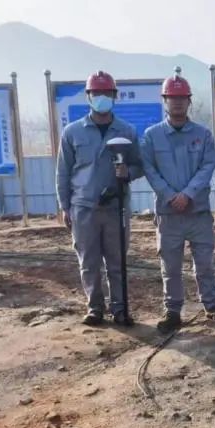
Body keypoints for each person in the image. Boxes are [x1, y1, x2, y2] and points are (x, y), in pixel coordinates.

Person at [141, 73, 215, 334]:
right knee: (170, 266)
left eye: (182, 97)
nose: (177, 102)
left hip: (197, 211)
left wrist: (188, 194)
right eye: (172, 97)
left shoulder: (203, 135)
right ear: (165, 101)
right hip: (168, 214)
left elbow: (207, 166)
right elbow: (150, 170)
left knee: (204, 262)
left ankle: (211, 304)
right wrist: (170, 195)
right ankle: (172, 310)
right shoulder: (152, 136)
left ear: (189, 101)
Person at [56, 70, 143, 326]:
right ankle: (95, 308)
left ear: (115, 96)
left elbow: (140, 165)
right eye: (96, 93)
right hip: (83, 208)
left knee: (117, 262)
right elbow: (63, 172)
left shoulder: (126, 131)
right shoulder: (73, 132)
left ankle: (120, 309)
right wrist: (65, 206)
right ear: (88, 96)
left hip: (116, 208)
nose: (101, 97)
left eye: (106, 93)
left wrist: (128, 173)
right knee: (89, 261)